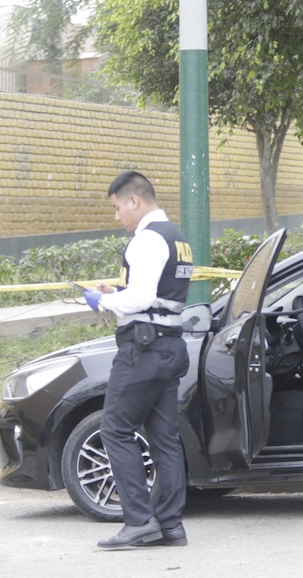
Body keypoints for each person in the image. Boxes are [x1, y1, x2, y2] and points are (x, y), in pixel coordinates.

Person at [81, 171, 194, 549]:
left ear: (134, 201)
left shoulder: (145, 240)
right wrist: (121, 292)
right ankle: (171, 525)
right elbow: (156, 296)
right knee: (164, 439)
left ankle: (139, 521)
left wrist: (103, 300)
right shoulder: (177, 238)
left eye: (117, 208)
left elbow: (141, 300)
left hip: (143, 351)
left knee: (114, 429)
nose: (117, 218)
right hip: (169, 347)